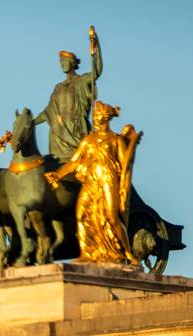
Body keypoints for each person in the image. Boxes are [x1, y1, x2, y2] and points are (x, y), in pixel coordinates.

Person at [46, 100, 141, 264]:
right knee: (81, 214)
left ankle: (127, 252)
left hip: (108, 180)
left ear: (105, 118)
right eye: (94, 116)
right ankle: (87, 253)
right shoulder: (88, 140)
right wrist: (58, 174)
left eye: (97, 116)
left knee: (112, 217)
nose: (95, 119)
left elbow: (125, 164)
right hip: (91, 181)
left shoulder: (115, 140)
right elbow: (74, 162)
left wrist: (132, 143)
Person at [33, 26, 104, 161]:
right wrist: (31, 123)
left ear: (72, 63)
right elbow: (47, 112)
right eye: (61, 62)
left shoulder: (81, 81)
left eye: (64, 61)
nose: (62, 64)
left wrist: (97, 47)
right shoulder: (58, 88)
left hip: (76, 130)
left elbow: (97, 71)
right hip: (58, 135)